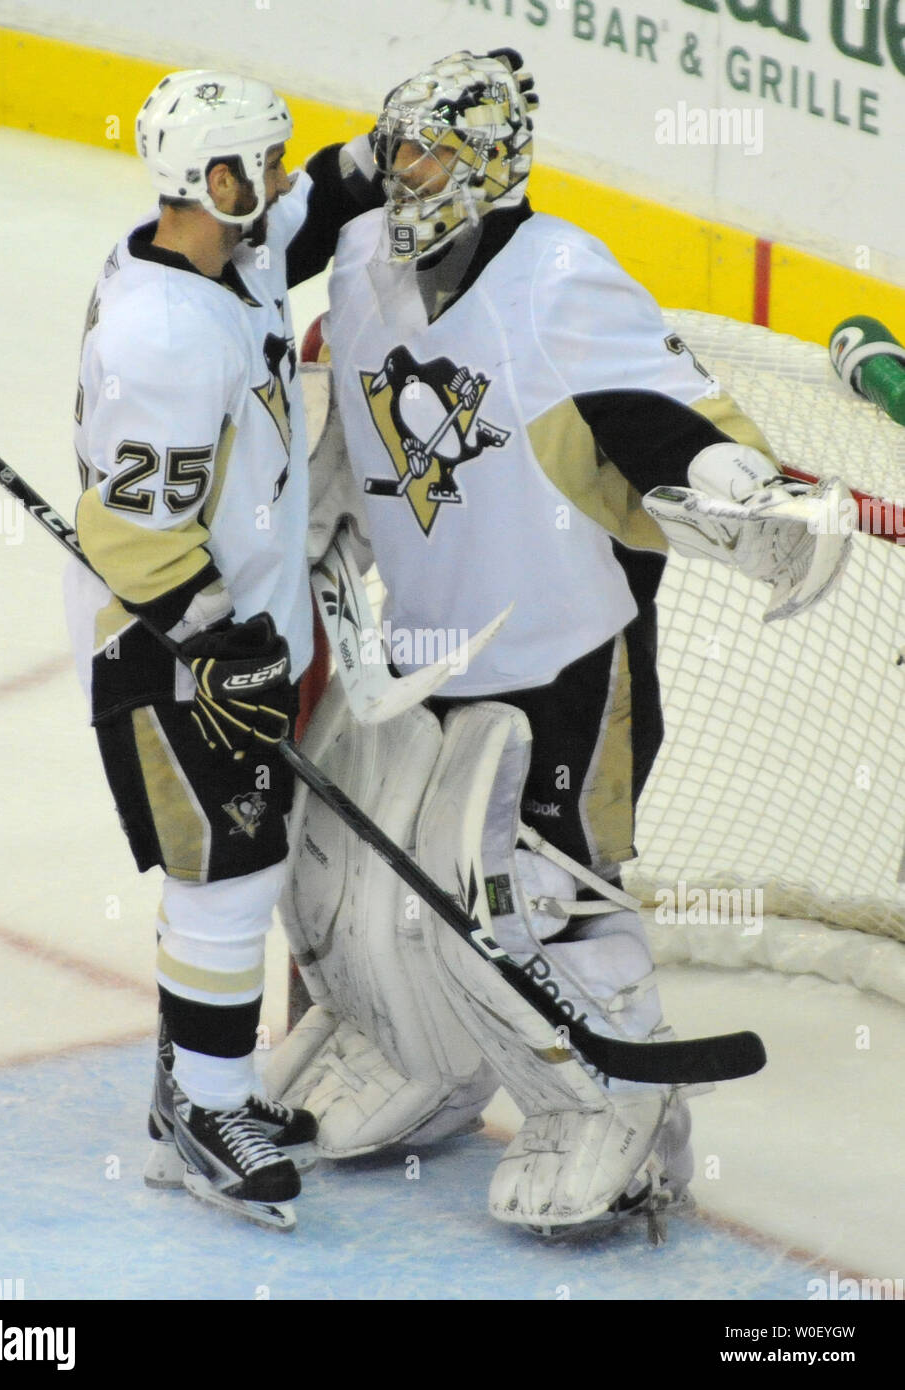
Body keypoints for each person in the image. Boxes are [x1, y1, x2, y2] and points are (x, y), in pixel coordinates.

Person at [268, 50, 846, 1236]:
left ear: (484, 167)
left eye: (426, 151)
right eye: (397, 145)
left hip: (563, 654)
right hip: (422, 648)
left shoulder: (560, 276)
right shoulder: (371, 261)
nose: (400, 169)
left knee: (536, 893)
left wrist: (730, 479)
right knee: (368, 874)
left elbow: (657, 414)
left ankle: (619, 1118)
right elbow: (356, 439)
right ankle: (413, 1052)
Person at [65, 68, 382, 1228]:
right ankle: (206, 1107)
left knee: (239, 854)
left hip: (233, 618)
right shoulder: (162, 338)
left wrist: (385, 150)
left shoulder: (211, 249)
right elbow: (130, 536)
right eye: (267, 162)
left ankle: (186, 1085)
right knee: (230, 868)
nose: (283, 178)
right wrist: (220, 641)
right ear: (213, 179)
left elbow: (301, 223)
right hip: (166, 635)